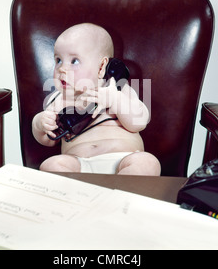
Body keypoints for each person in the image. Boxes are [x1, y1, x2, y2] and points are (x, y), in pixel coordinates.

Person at [32, 23, 161, 176]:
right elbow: (49, 140)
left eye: (74, 61)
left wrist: (115, 100)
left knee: (147, 163)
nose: (61, 69)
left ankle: (121, 195)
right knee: (51, 165)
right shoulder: (59, 99)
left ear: (101, 67)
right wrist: (40, 123)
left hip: (122, 161)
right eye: (58, 60)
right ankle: (79, 195)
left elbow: (139, 122)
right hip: (79, 165)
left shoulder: (117, 89)